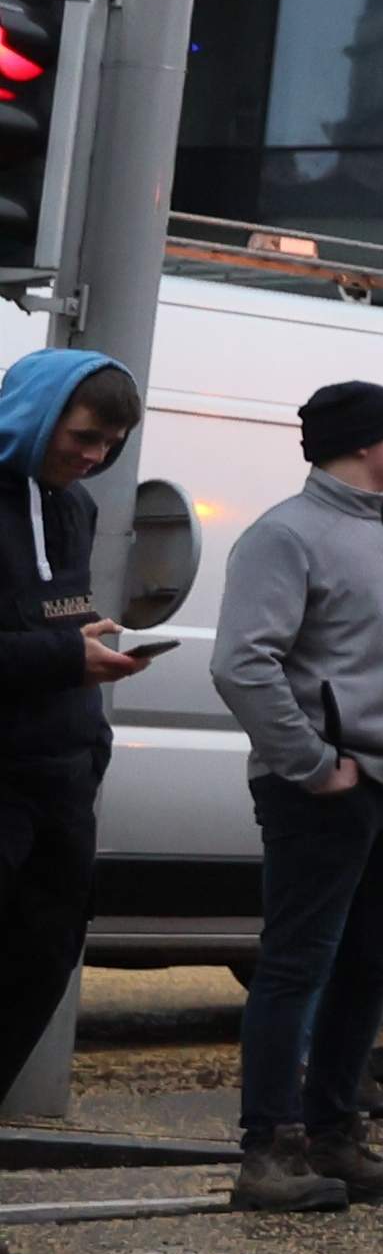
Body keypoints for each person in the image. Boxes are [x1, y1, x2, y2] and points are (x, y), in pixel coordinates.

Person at [209, 380, 383, 1214]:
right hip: (326, 791)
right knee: (297, 963)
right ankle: (269, 1151)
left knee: (375, 960)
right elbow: (242, 663)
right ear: (360, 443)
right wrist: (312, 765)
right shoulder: (284, 535)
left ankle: (335, 1136)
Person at [0, 352, 152, 1158]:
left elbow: (46, 621)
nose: (94, 458)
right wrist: (64, 656)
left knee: (41, 964)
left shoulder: (75, 507)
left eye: (111, 445)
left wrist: (80, 645)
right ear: (37, 414)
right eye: (85, 437)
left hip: (61, 779)